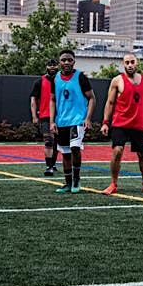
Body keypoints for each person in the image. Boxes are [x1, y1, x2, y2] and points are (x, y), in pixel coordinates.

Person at [100, 53, 143, 195]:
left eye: (132, 62)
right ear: (123, 64)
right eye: (127, 63)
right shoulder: (117, 80)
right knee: (117, 151)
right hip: (121, 123)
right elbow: (110, 103)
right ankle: (113, 184)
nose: (130, 65)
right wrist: (105, 122)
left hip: (139, 124)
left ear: (137, 63)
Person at [50, 49, 95, 194]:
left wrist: (87, 118)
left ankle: (76, 180)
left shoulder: (80, 77)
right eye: (63, 60)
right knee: (65, 153)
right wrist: (52, 121)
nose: (66, 62)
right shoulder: (55, 78)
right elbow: (52, 100)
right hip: (61, 121)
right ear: (59, 63)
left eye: (69, 60)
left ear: (74, 61)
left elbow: (92, 98)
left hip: (77, 120)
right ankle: (68, 183)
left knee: (75, 148)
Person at [30, 59, 60, 176]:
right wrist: (34, 116)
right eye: (50, 65)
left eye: (54, 65)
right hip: (45, 116)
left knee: (58, 143)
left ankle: (53, 164)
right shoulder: (39, 82)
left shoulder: (61, 81)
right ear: (46, 67)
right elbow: (33, 100)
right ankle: (49, 167)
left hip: (61, 116)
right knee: (49, 142)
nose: (52, 67)